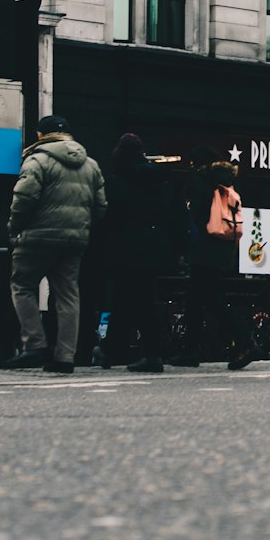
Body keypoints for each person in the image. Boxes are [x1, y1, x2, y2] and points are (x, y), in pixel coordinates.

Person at [6, 115, 107, 375]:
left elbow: (24, 198)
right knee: (68, 295)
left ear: (41, 135)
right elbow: (101, 206)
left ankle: (35, 344)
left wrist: (14, 229)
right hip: (75, 239)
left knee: (22, 286)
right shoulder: (91, 164)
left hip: (37, 237)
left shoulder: (37, 160)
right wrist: (82, 227)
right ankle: (65, 356)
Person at [102, 133, 177, 372]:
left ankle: (117, 350)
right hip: (152, 248)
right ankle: (144, 352)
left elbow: (109, 217)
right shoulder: (158, 181)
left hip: (124, 248)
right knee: (143, 300)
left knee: (124, 300)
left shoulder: (115, 181)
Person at [180, 161, 256, 370]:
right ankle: (189, 350)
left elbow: (195, 215)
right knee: (197, 299)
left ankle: (245, 341)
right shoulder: (228, 187)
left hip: (204, 252)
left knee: (209, 300)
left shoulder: (205, 187)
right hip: (224, 252)